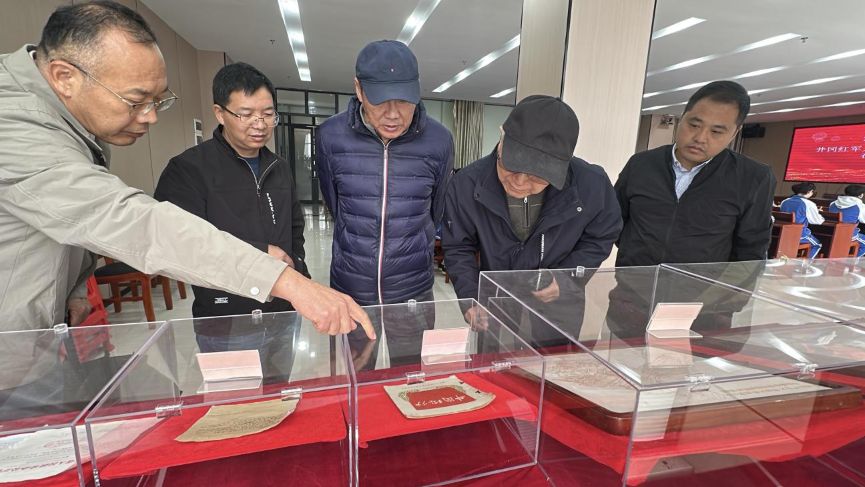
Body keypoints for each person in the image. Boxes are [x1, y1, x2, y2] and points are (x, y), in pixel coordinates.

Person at [0, 1, 373, 338]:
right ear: (65, 77)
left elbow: (62, 222)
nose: (150, 117)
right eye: (136, 101)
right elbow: (135, 223)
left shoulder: (72, 127)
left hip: (38, 334)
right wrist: (289, 282)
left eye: (157, 100)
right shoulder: (13, 125)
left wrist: (74, 288)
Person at [153, 63, 306, 365]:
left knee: (281, 390)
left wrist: (298, 270)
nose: (260, 124)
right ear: (220, 113)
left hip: (281, 311)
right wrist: (260, 252)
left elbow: (295, 228)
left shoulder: (279, 167)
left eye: (268, 114)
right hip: (226, 320)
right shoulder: (188, 169)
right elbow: (177, 246)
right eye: (246, 114)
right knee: (235, 395)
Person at [442, 95, 622, 303]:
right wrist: (471, 299)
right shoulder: (466, 183)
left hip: (558, 305)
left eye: (537, 176)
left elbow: (602, 235)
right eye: (510, 165)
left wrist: (568, 277)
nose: (519, 182)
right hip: (495, 301)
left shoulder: (591, 185)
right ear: (502, 139)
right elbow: (458, 247)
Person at [614, 80, 776, 266]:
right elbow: (615, 223)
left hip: (702, 285)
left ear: (734, 133)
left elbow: (750, 254)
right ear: (682, 117)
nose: (700, 138)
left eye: (716, 131)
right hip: (632, 281)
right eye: (694, 125)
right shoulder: (641, 164)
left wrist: (720, 286)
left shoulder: (753, 178)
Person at [779, 182, 824, 259]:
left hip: (783, 233)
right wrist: (819, 214)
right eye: (812, 191)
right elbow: (818, 221)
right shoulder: (808, 203)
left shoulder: (785, 201)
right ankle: (806, 264)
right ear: (809, 191)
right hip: (799, 235)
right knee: (817, 245)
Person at [828, 184, 865, 257]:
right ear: (861, 195)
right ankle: (852, 261)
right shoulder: (860, 205)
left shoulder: (833, 203)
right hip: (848, 234)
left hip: (830, 232)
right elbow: (863, 220)